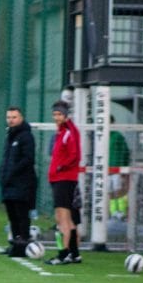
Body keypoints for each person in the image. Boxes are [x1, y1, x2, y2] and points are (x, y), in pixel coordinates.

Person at [46, 100, 82, 265]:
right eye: (54, 114)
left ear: (66, 115)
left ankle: (63, 254)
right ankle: (74, 253)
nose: (56, 117)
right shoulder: (64, 131)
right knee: (69, 219)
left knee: (62, 218)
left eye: (59, 114)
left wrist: (61, 167)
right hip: (62, 179)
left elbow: (74, 155)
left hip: (64, 179)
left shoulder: (68, 131)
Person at [0, 107, 36, 257]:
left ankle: (23, 245)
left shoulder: (26, 136)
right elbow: (7, 159)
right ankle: (15, 244)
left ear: (21, 118)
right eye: (9, 117)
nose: (11, 120)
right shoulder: (10, 136)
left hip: (22, 184)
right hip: (9, 184)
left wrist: (12, 173)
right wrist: (3, 174)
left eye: (14, 117)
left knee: (21, 215)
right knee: (12, 216)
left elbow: (28, 159)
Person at [108, 116, 130, 220]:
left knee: (119, 189)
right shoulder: (100, 137)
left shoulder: (117, 136)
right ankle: (113, 212)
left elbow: (125, 152)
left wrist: (124, 168)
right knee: (109, 191)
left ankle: (122, 212)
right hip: (105, 170)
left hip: (117, 168)